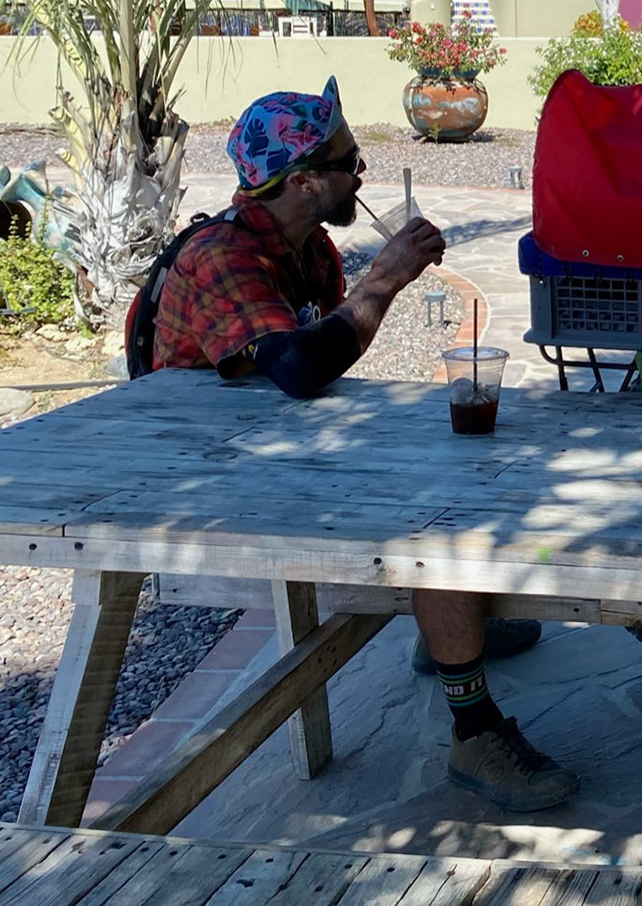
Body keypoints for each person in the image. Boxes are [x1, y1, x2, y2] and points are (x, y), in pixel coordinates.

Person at [150, 78, 580, 812]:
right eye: (351, 163)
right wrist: (385, 278)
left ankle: (448, 635)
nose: (362, 176)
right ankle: (473, 730)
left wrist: (368, 290)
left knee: (468, 470)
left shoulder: (309, 249)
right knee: (442, 529)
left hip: (276, 448)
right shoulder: (222, 257)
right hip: (202, 482)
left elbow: (315, 367)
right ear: (308, 180)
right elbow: (300, 367)